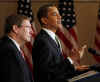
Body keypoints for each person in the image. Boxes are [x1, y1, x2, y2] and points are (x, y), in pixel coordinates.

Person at [32, 4, 90, 82]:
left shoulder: (53, 38)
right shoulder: (42, 41)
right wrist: (71, 59)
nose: (60, 17)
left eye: (59, 14)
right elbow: (46, 73)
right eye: (55, 14)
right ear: (44, 20)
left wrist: (73, 68)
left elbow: (55, 68)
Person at [0, 14, 33, 82]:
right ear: (15, 29)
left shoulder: (13, 48)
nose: (32, 32)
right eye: (28, 27)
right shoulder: (8, 50)